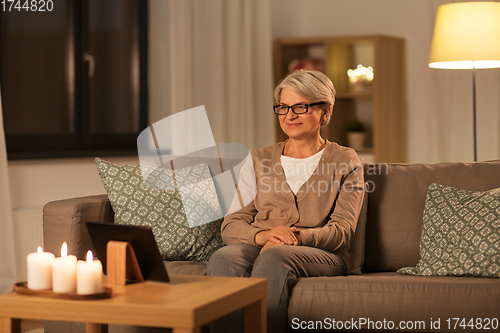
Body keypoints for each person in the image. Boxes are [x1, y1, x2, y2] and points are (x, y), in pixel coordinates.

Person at [207, 69, 365, 333]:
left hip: (322, 254)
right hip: (264, 246)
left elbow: (342, 232)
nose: (290, 115)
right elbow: (232, 225)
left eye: (301, 107)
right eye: (283, 107)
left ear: (325, 112)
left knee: (277, 256)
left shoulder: (345, 160)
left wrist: (297, 238)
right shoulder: (259, 159)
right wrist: (265, 235)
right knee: (224, 258)